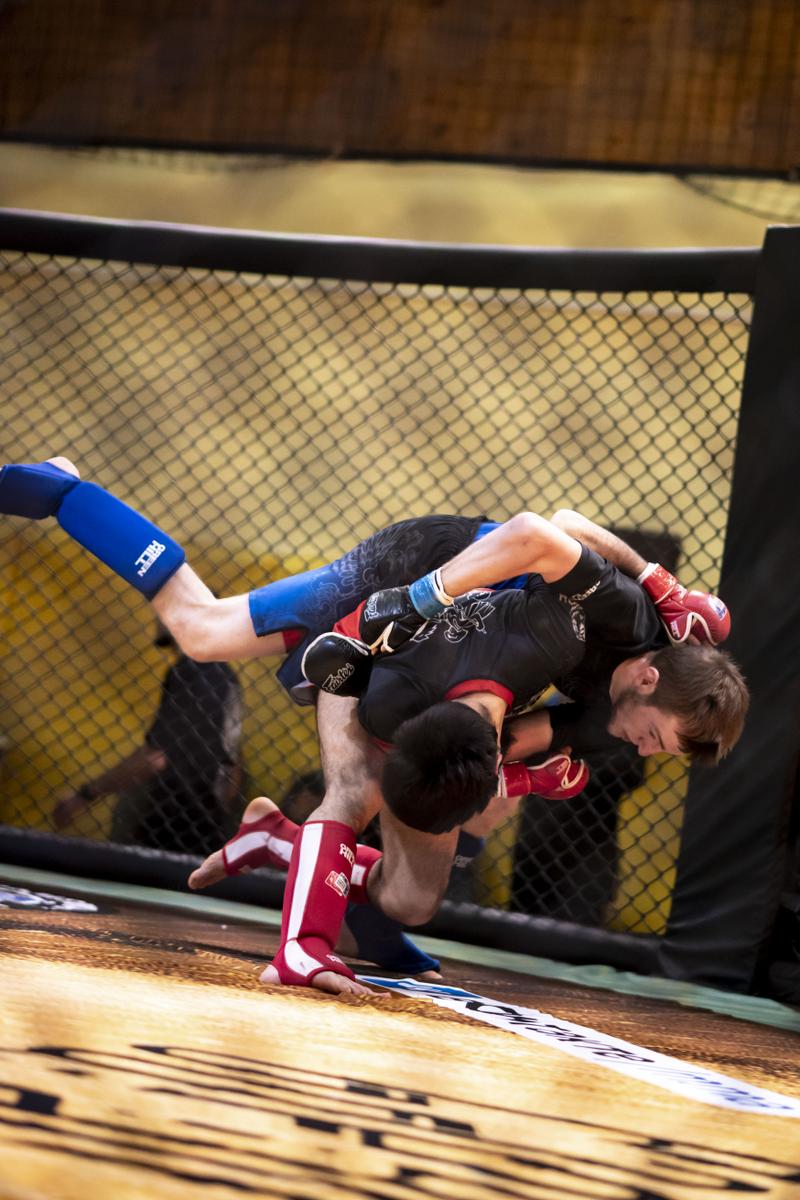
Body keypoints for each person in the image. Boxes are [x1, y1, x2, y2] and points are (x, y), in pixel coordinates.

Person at [0, 456, 744, 996]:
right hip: (422, 570)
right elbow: (550, 528)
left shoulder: (613, 720)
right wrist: (658, 580)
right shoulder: (634, 616)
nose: (647, 751)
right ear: (649, 679)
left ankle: (284, 843)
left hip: (458, 652)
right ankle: (66, 491)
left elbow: (511, 749)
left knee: (418, 890)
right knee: (206, 638)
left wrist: (519, 779)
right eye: (657, 736)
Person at [53, 621, 244, 856]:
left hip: (170, 824)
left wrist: (86, 795)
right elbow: (233, 768)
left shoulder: (193, 671)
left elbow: (154, 758)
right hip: (201, 827)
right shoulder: (225, 675)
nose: (158, 619)